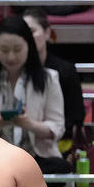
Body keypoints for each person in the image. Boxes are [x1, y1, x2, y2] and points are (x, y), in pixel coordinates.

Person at [0, 17, 68, 176]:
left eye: (17, 49)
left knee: (61, 168)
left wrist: (28, 124)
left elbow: (57, 128)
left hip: (36, 158)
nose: (11, 57)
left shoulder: (49, 78)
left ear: (29, 47)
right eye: (4, 50)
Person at [20, 9, 85, 149]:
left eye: (32, 31)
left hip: (57, 143)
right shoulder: (13, 71)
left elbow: (76, 117)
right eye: (23, 32)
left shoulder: (65, 70)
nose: (27, 37)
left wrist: (45, 131)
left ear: (47, 33)